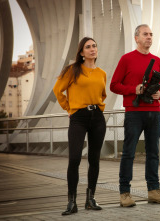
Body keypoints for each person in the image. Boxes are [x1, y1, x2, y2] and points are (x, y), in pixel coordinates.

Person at [110, 24, 160, 207]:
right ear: (136, 38)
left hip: (154, 112)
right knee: (128, 153)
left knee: (153, 153)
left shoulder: (157, 60)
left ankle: (154, 191)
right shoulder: (126, 59)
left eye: (151, 34)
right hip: (134, 113)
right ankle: (125, 193)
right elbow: (114, 85)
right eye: (145, 34)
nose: (149, 37)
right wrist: (133, 89)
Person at [53, 37, 107, 215]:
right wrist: (68, 108)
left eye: (94, 46)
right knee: (74, 158)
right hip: (78, 117)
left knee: (94, 159)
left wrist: (98, 107)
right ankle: (72, 202)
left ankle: (90, 199)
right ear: (82, 52)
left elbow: (102, 95)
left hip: (97, 118)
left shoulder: (102, 73)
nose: (92, 49)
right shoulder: (72, 70)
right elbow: (57, 90)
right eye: (88, 47)